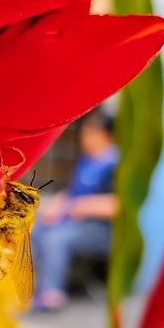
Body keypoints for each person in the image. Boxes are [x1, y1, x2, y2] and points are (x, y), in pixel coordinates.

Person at [31, 109, 119, 310]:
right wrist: (57, 206)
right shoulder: (88, 161)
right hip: (72, 220)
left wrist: (80, 206)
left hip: (100, 228)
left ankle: (52, 292)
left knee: (57, 238)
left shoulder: (114, 164)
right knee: (37, 231)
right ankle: (33, 286)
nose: (83, 135)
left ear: (105, 135)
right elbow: (72, 192)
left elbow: (116, 204)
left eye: (90, 131)